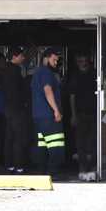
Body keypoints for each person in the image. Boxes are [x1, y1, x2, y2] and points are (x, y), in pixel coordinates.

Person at [31, 47, 65, 177]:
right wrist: (56, 110)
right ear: (47, 57)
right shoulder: (46, 73)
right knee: (56, 144)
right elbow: (48, 90)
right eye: (54, 59)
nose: (56, 63)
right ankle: (54, 173)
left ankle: (42, 172)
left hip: (38, 116)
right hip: (48, 116)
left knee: (41, 146)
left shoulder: (37, 73)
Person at [68, 53, 97, 182]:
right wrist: (73, 115)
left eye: (83, 59)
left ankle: (92, 168)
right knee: (80, 142)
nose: (81, 62)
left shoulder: (94, 74)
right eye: (79, 60)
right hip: (80, 113)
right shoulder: (74, 76)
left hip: (94, 112)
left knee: (93, 142)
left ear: (88, 60)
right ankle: (82, 168)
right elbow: (72, 96)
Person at [2, 46, 29, 174]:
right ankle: (19, 166)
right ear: (14, 57)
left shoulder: (5, 70)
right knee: (19, 137)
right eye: (21, 56)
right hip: (17, 108)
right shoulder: (16, 70)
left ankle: (9, 165)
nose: (23, 58)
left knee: (9, 137)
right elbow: (20, 90)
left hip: (8, 108)